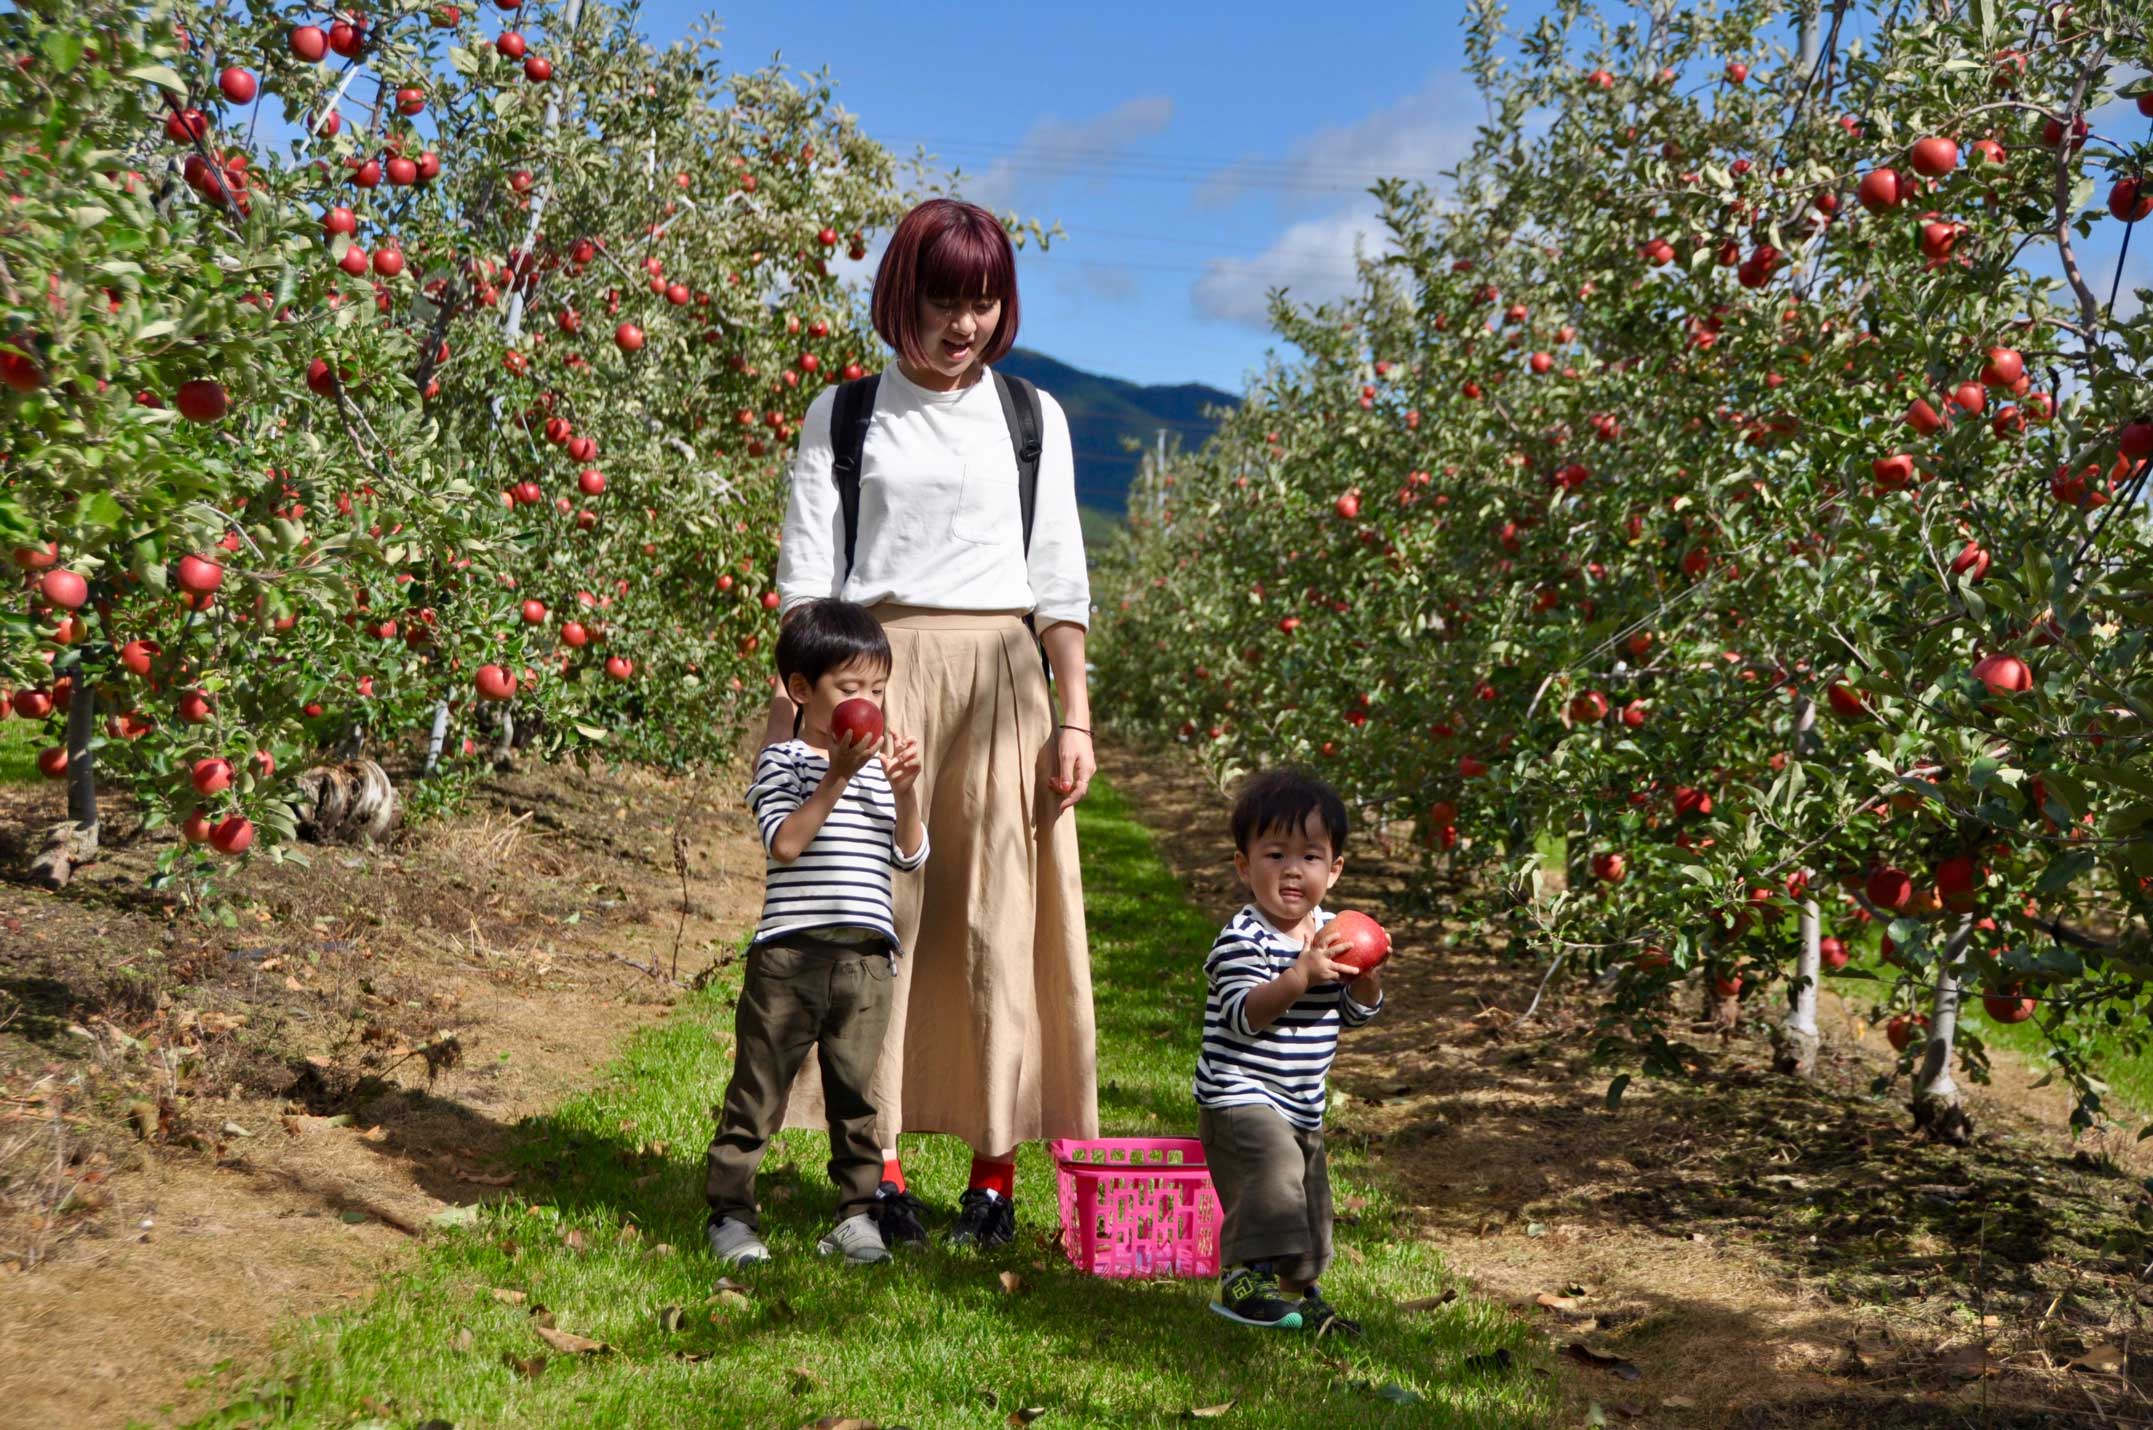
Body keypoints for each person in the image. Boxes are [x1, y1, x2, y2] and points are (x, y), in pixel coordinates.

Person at [768, 197, 1098, 1250]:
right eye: (944, 300)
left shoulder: (1031, 417)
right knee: (879, 924)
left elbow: (1059, 586)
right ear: (899, 297)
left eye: (983, 300)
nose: (963, 324)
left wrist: (1073, 717)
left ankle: (993, 1177)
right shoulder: (847, 413)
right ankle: (882, 1168)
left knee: (998, 920)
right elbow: (803, 579)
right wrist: (802, 718)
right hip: (872, 671)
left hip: (1002, 677)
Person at [705, 599, 927, 1267]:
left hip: (865, 962)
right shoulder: (782, 764)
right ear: (801, 691)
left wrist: (908, 792)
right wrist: (836, 777)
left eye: (878, 690)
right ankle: (730, 1216)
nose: (868, 703)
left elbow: (911, 857)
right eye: (850, 688)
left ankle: (856, 1216)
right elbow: (786, 845)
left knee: (858, 1098)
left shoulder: (882, 774)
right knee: (758, 1092)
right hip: (789, 957)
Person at [1193, 769, 1384, 1334]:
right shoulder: (1241, 939)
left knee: (1311, 1202)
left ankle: (1301, 1294)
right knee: (1273, 1175)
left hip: (1302, 1103)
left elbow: (1356, 1012)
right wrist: (1301, 974)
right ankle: (1242, 1279)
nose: (1293, 870)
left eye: (1310, 856)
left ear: (1335, 870)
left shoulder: (1333, 932)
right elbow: (1244, 1013)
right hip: (1239, 1094)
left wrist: (1368, 978)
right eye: (1275, 854)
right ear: (1243, 865)